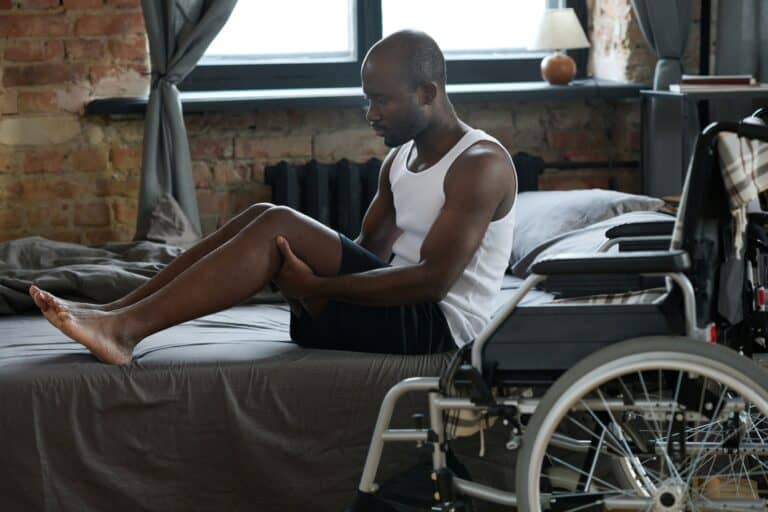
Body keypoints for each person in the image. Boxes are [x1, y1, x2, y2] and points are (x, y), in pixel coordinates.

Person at [28, 30, 517, 365]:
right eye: (366, 98)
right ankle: (116, 313)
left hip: (433, 331)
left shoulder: (480, 165)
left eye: (381, 100)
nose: (370, 114)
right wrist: (302, 273)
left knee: (277, 221)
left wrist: (317, 288)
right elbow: (365, 253)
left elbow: (432, 282)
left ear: (428, 93)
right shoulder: (400, 159)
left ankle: (125, 331)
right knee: (265, 215)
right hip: (386, 313)